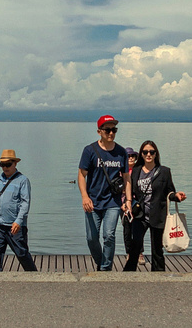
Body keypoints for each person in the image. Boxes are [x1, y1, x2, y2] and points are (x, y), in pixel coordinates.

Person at [122, 141, 187, 272]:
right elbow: (131, 192)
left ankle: (158, 276)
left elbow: (169, 192)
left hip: (158, 214)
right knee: (135, 246)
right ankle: (127, 275)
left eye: (151, 152)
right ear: (141, 154)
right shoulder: (135, 171)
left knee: (157, 249)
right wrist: (125, 203)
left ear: (156, 154)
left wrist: (177, 196)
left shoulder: (164, 171)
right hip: (140, 215)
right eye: (145, 152)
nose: (148, 154)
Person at [77, 114, 130, 271]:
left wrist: (127, 201)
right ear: (99, 131)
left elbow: (127, 178)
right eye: (107, 130)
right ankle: (101, 262)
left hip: (112, 203)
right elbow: (81, 175)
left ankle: (105, 269)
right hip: (92, 201)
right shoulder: (89, 151)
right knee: (91, 238)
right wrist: (85, 197)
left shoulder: (121, 152)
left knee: (109, 236)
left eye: (114, 130)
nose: (111, 133)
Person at [0, 149, 35, 272]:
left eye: (8, 164)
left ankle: (34, 277)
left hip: (15, 226)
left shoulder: (23, 180)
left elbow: (25, 203)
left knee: (22, 254)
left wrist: (18, 221)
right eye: (2, 165)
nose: (5, 168)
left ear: (15, 164)